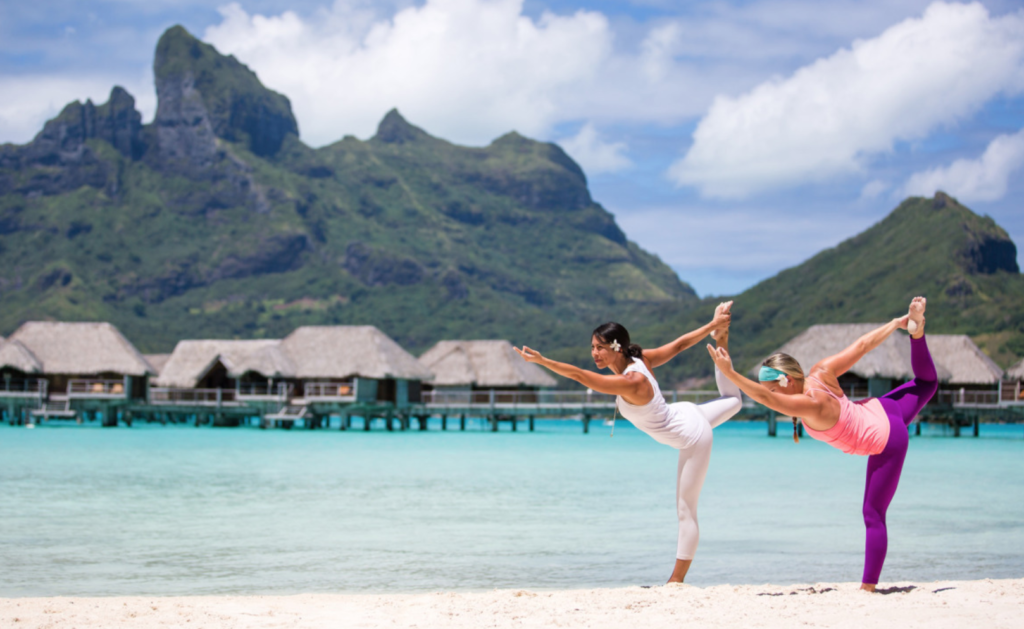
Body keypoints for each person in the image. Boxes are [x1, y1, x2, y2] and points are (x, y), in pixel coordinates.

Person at [706, 297, 937, 591]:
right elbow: (862, 346)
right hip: (883, 409)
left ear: (787, 380)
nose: (773, 397)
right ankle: (917, 332)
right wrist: (895, 324)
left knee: (873, 514)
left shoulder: (811, 404)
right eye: (769, 389)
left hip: (887, 440)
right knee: (927, 383)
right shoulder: (820, 372)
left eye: (773, 387)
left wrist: (730, 374)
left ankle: (868, 589)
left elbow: (766, 399)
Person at [515, 302, 742, 583]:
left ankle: (675, 582)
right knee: (734, 401)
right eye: (592, 347)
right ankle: (722, 339)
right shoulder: (638, 359)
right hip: (686, 414)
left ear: (617, 347)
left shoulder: (632, 380)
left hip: (693, 437)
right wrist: (713, 327)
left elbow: (579, 376)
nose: (594, 353)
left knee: (686, 511)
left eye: (599, 347)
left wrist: (544, 362)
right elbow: (680, 344)